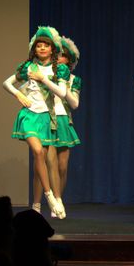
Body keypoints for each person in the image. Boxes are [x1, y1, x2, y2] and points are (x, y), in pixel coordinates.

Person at [3, 26, 68, 218]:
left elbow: (62, 93)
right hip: (29, 115)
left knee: (43, 159)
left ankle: (39, 203)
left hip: (47, 118)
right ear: (34, 49)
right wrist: (18, 95)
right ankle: (49, 196)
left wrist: (43, 79)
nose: (42, 48)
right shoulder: (28, 67)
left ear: (52, 49)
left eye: (46, 45)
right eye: (39, 45)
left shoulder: (59, 69)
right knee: (38, 152)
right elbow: (6, 83)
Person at [43, 36, 82, 218]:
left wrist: (63, 85)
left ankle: (59, 199)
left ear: (69, 60)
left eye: (63, 56)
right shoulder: (45, 74)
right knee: (50, 163)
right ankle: (54, 201)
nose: (59, 59)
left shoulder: (74, 80)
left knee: (62, 167)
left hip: (64, 120)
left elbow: (74, 104)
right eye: (57, 55)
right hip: (47, 120)